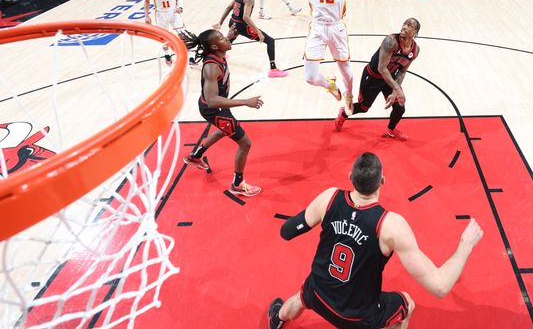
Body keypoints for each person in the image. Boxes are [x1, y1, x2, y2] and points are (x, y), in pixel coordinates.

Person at [268, 152, 484, 329]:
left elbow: (286, 232)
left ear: (350, 176)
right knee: (407, 303)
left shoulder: (329, 198)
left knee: (301, 297)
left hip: (318, 293)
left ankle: (278, 318)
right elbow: (440, 287)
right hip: (357, 317)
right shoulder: (391, 225)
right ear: (382, 181)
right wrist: (465, 246)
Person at [180, 29, 264, 197]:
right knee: (245, 144)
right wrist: (245, 102)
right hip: (214, 108)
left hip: (216, 106)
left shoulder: (218, 53)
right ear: (214, 46)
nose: (226, 38)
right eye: (221, 38)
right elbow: (212, 100)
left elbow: (222, 43)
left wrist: (230, 35)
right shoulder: (212, 68)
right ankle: (237, 184)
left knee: (223, 130)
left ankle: (195, 156)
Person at [335, 19, 420, 141]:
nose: (404, 27)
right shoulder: (390, 41)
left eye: (409, 25)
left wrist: (395, 92)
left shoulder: (415, 50)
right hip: (373, 76)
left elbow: (402, 71)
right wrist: (396, 88)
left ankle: (390, 130)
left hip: (389, 79)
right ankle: (343, 113)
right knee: (364, 108)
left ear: (415, 32)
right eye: (404, 24)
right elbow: (381, 68)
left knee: (399, 108)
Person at [213, 0, 289, 78]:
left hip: (233, 22)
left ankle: (219, 55)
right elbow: (245, 17)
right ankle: (273, 69)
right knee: (270, 41)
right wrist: (259, 32)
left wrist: (220, 22)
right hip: (241, 25)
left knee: (230, 40)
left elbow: (229, 7)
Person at [144, 0, 195, 66]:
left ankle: (190, 57)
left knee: (183, 34)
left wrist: (180, 7)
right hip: (161, 15)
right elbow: (146, 1)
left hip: (173, 13)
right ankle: (167, 54)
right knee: (163, 37)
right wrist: (146, 15)